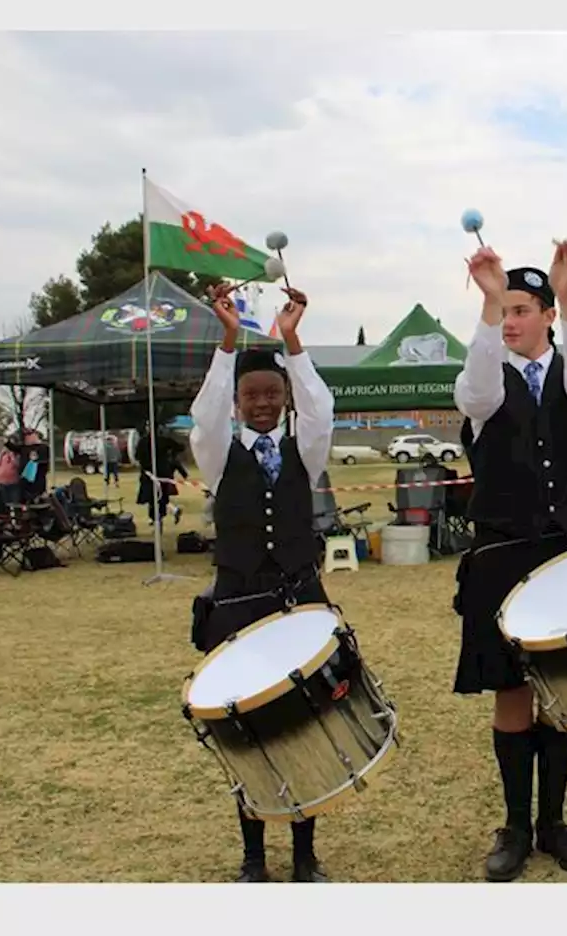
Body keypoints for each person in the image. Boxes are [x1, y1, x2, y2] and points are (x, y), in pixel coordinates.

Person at [452, 241, 567, 883]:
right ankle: (516, 826)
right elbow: (476, 389)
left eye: (523, 308)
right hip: (503, 556)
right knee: (513, 693)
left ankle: (554, 822)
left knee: (563, 695)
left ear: (548, 315)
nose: (512, 320)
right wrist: (488, 304)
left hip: (566, 557)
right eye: (506, 310)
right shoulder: (485, 385)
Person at [187, 281, 336, 883]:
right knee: (245, 728)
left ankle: (305, 857)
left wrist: (292, 341)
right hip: (240, 604)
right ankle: (254, 858)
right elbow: (204, 412)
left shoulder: (307, 445)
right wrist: (228, 341)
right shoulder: (218, 452)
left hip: (300, 601)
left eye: (274, 393)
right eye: (253, 395)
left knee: (305, 724)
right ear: (239, 401)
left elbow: (320, 406)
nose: (264, 403)